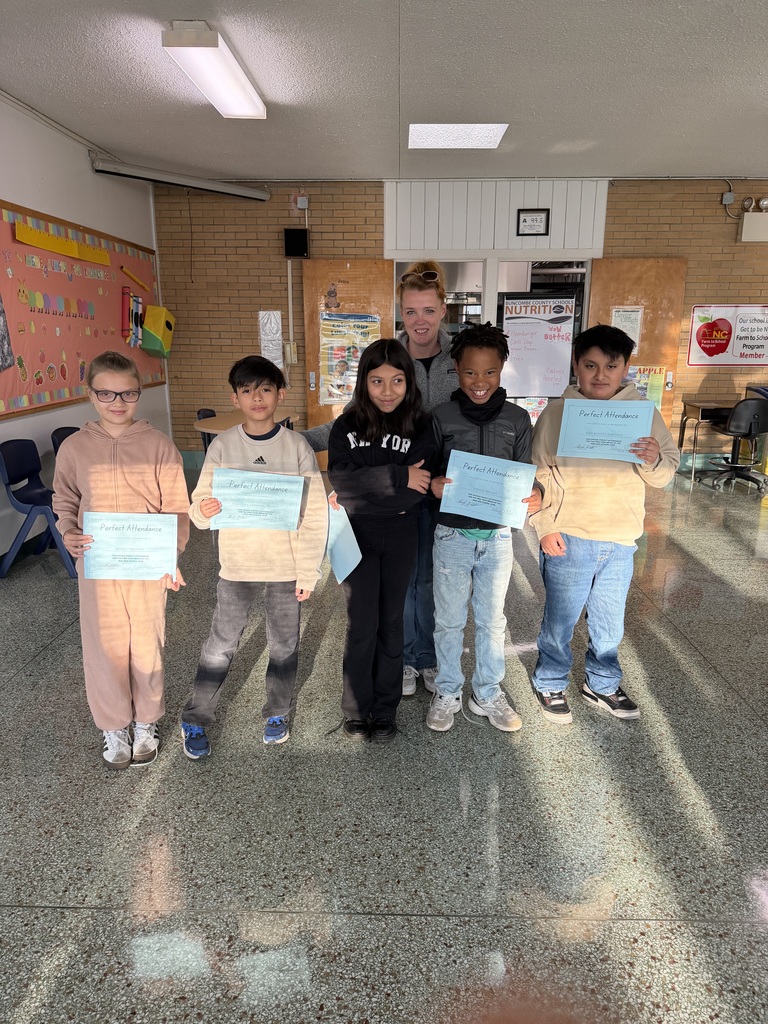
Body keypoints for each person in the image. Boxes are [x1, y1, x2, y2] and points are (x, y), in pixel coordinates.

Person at [528, 324, 680, 723]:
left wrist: (651, 458)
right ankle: (550, 680)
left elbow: (665, 474)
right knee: (559, 620)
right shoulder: (557, 414)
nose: (600, 375)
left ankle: (602, 682)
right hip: (569, 536)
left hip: (619, 539)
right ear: (576, 365)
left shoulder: (644, 415)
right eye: (590, 365)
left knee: (610, 622)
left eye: (610, 366)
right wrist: (545, 527)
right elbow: (537, 475)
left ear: (625, 368)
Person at [180, 355, 327, 758]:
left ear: (281, 393)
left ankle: (277, 711)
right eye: (246, 390)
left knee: (283, 644)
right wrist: (202, 511)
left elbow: (313, 515)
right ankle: (195, 716)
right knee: (221, 643)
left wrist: (307, 572)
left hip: (284, 565)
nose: (256, 397)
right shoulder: (223, 446)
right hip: (238, 565)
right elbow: (199, 505)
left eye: (265, 388)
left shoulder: (296, 447)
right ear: (235, 398)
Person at [52, 350, 189, 769]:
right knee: (104, 646)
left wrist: (172, 555)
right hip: (97, 566)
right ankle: (114, 725)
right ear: (89, 394)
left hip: (148, 568)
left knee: (147, 643)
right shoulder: (74, 448)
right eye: (106, 394)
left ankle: (147, 721)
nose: (117, 402)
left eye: (127, 393)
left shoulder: (159, 446)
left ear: (139, 393)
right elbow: (65, 499)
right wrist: (69, 533)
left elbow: (177, 508)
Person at [427, 323, 541, 733]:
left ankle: (488, 692)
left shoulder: (517, 418)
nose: (480, 382)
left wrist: (537, 493)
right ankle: (448, 690)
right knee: (449, 619)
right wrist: (434, 486)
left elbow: (528, 474)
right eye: (471, 372)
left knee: (493, 620)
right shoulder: (441, 417)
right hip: (452, 535)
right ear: (456, 369)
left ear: (502, 369)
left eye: (490, 372)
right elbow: (427, 475)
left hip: (497, 538)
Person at [328, 338, 435, 743]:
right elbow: (341, 480)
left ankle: (385, 709)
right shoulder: (346, 425)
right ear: (363, 382)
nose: (387, 391)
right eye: (377, 381)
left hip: (402, 530)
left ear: (409, 382)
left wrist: (372, 484)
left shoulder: (421, 425)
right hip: (354, 533)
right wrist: (396, 475)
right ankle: (356, 710)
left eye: (396, 380)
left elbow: (418, 489)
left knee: (391, 623)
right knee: (361, 624)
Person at [396, 260, 459, 697]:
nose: (420, 321)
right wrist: (293, 440)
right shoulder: (389, 357)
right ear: (402, 313)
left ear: (443, 312)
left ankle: (431, 657)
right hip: (406, 486)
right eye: (411, 312)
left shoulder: (464, 358)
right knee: (408, 576)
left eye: (428, 311)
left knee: (440, 579)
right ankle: (406, 657)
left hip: (456, 489)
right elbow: (354, 419)